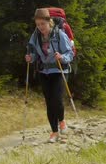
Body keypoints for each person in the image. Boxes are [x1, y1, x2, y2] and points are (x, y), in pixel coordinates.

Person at [25, 8, 74, 143]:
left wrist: (62, 56)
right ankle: (54, 132)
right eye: (38, 24)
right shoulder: (35, 37)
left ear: (49, 22)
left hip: (59, 71)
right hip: (44, 72)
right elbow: (34, 54)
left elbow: (70, 53)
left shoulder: (59, 35)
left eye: (43, 24)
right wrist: (31, 58)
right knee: (49, 103)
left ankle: (62, 120)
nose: (40, 27)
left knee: (56, 99)